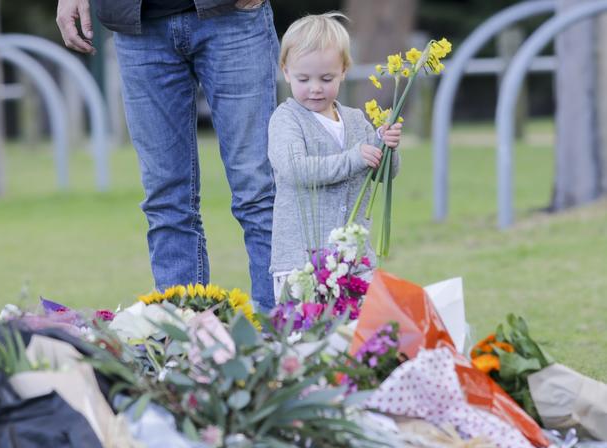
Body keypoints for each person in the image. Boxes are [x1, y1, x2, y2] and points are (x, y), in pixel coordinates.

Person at [56, 0, 279, 310]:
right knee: (165, 199)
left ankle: (280, 337)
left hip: (232, 14)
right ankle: (182, 339)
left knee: (257, 189)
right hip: (138, 26)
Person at [268, 13, 403, 302]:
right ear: (286, 71)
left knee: (354, 337)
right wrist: (354, 158)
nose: (315, 88)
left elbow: (385, 173)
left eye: (326, 78)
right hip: (301, 261)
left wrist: (387, 146)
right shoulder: (286, 119)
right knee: (305, 338)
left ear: (343, 70)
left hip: (354, 260)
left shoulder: (355, 120)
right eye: (304, 78)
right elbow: (297, 169)